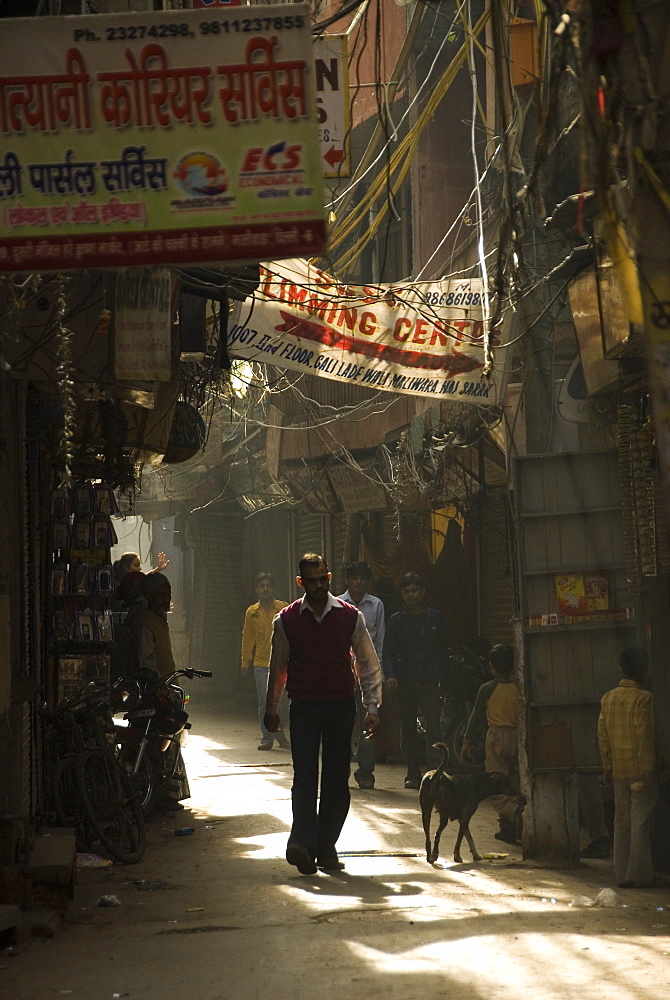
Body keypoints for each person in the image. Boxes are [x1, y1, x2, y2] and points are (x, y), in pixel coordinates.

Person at [264, 553, 382, 875]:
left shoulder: (350, 616)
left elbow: (368, 664)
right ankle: (301, 844)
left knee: (335, 780)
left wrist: (372, 708)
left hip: (340, 706)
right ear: (301, 582)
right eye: (311, 581)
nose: (318, 585)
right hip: (303, 707)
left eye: (323, 579)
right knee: (304, 777)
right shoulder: (286, 620)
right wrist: (271, 709)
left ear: (329, 579)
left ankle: (325, 847)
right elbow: (278, 669)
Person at [598, 647, 661, 888]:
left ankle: (622, 875)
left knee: (621, 819)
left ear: (620, 670)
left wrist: (607, 766)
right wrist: (649, 770)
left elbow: (602, 735)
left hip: (618, 770)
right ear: (645, 671)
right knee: (640, 820)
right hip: (639, 768)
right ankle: (641, 874)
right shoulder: (645, 699)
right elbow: (644, 735)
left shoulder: (608, 698)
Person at [382, 572, 451, 789]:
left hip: (430, 680)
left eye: (415, 591)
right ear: (402, 594)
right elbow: (388, 652)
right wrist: (390, 675)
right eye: (407, 592)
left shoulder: (435, 618)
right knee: (408, 728)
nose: (411, 595)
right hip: (405, 681)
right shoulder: (396, 621)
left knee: (434, 728)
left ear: (422, 592)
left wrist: (445, 682)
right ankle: (412, 772)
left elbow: (443, 652)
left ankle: (435, 772)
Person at [131, 572, 189, 810]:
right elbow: (145, 660)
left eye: (168, 595)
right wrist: (156, 686)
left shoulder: (158, 619)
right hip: (154, 691)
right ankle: (155, 795)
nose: (165, 599)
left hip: (165, 688)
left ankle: (163, 794)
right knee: (155, 742)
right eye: (160, 594)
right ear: (149, 595)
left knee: (167, 740)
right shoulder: (145, 621)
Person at [461, 643, 524, 843]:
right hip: (518, 737)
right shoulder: (519, 689)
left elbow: (476, 717)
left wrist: (467, 741)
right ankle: (508, 829)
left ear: (491, 667)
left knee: (495, 787)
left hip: (496, 737)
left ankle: (516, 813)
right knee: (513, 784)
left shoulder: (487, 689)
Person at [337, 561, 385, 790]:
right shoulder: (336, 604)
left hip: (367, 672)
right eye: (354, 578)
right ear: (348, 580)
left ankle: (365, 772)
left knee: (371, 719)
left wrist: (380, 674)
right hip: (343, 673)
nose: (358, 582)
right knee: (343, 720)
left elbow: (379, 642)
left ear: (367, 581)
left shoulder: (376, 606)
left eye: (362, 578)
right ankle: (340, 767)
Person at [241, 572, 290, 751]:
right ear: (257, 590)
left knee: (283, 702)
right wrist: (245, 661)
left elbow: (292, 634)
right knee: (265, 701)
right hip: (261, 664)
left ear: (273, 588)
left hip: (282, 664)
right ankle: (267, 737)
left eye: (268, 586)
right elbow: (248, 637)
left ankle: (279, 732)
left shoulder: (284, 608)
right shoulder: (252, 612)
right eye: (262, 586)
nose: (265, 589)